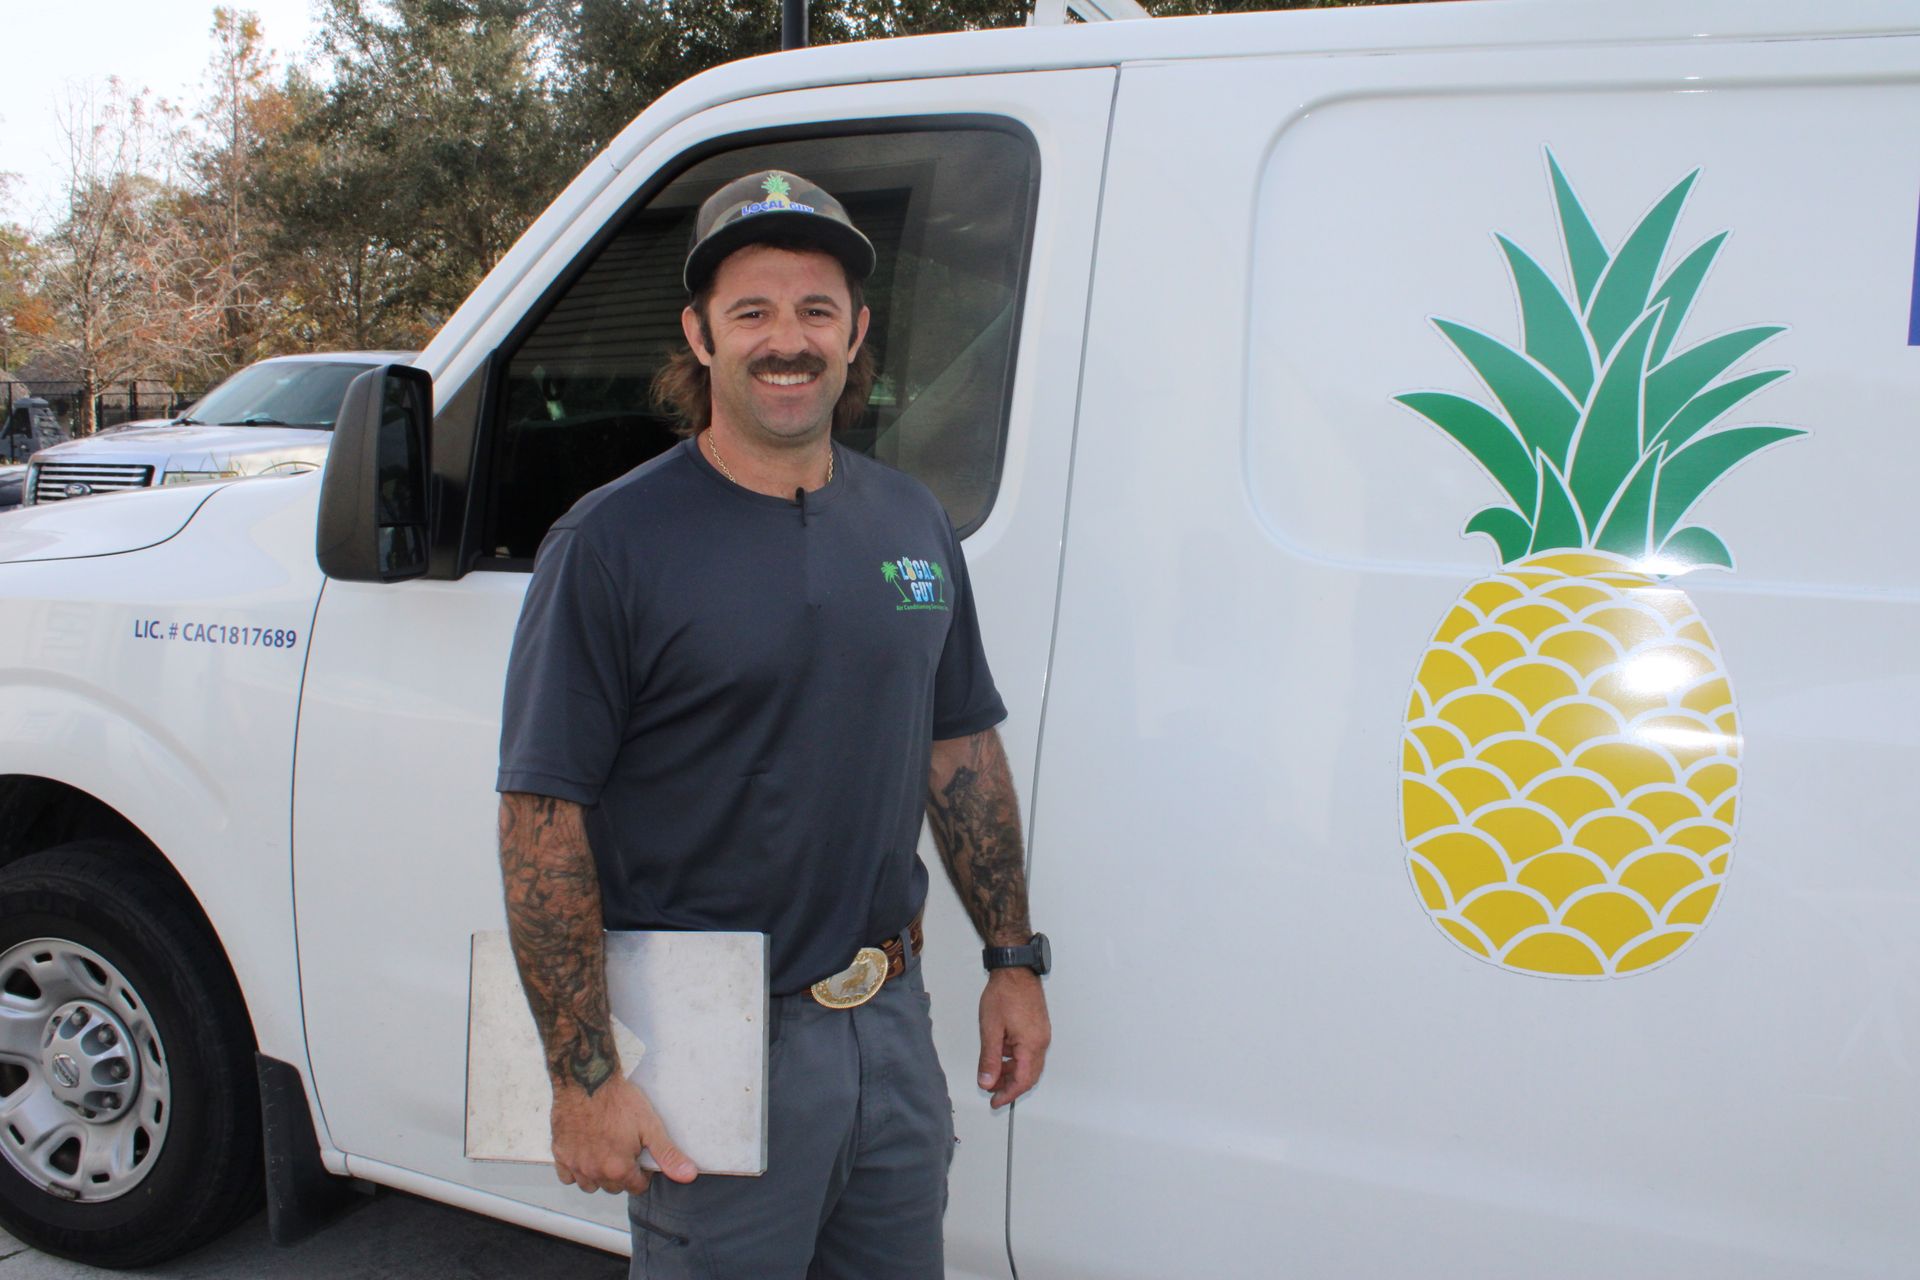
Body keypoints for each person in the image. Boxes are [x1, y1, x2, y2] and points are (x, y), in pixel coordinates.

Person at [495, 169, 1052, 1279]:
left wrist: (1012, 956)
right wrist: (584, 1074)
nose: (784, 339)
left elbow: (961, 751)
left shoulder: (910, 519)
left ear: (854, 335)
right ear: (700, 335)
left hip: (889, 1023)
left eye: (814, 309)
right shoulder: (610, 544)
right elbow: (543, 820)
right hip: (711, 1034)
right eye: (752, 311)